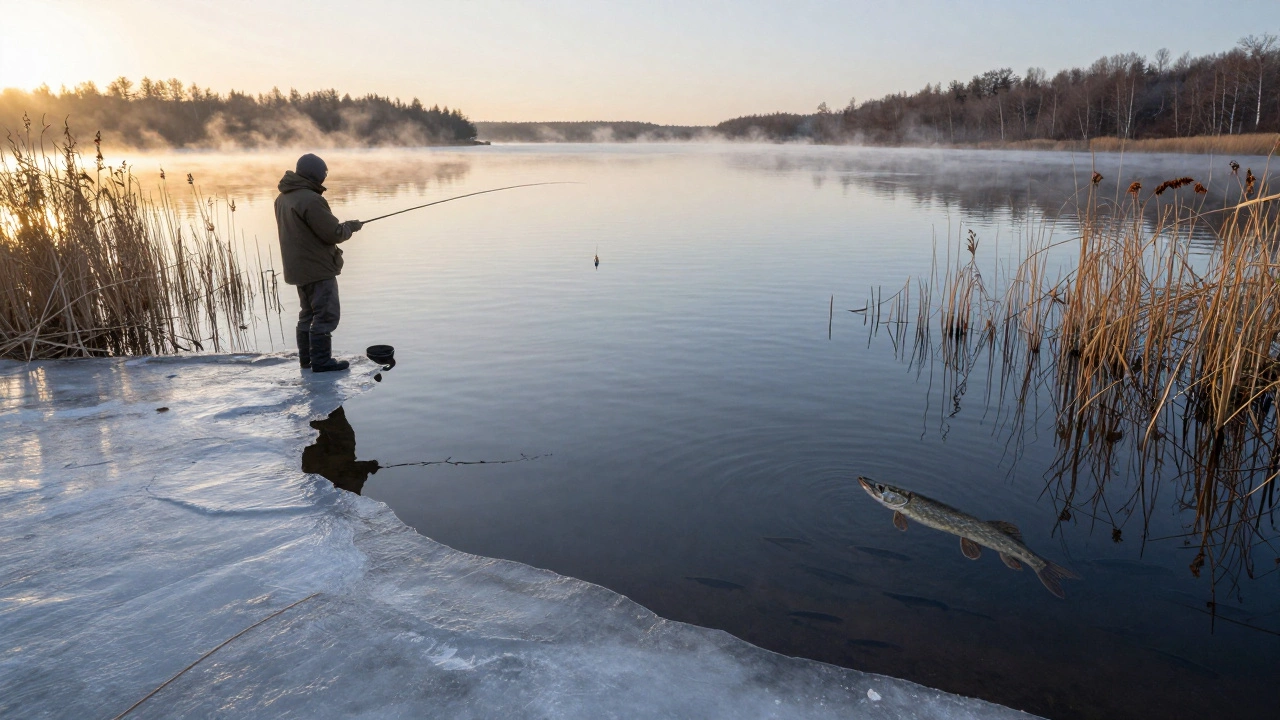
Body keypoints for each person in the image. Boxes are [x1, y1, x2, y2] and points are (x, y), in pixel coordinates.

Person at [275, 153, 363, 372]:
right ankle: (322, 362)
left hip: (298, 269)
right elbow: (333, 233)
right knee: (325, 315)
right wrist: (350, 227)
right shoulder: (311, 199)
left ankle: (307, 360)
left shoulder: (283, 198)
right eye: (324, 173)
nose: (325, 176)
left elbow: (310, 231)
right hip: (318, 269)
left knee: (307, 314)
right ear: (315, 174)